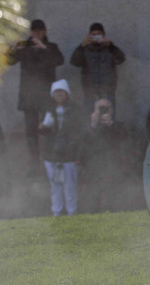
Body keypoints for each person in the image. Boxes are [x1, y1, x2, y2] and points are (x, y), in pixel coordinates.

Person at [7, 19, 64, 169]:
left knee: (49, 127)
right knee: (31, 130)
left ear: (45, 31)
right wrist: (12, 49)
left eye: (39, 31)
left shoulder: (51, 47)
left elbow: (59, 60)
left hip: (46, 96)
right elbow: (8, 61)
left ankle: (50, 159)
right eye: (34, 31)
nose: (37, 34)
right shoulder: (24, 47)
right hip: (29, 95)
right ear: (31, 32)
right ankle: (34, 163)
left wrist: (44, 48)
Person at [39, 79, 85, 216]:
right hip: (51, 154)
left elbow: (81, 131)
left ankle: (72, 212)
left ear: (67, 93)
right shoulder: (48, 108)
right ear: (52, 94)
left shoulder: (75, 109)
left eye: (61, 91)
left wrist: (76, 150)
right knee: (55, 185)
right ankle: (56, 212)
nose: (59, 94)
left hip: (69, 154)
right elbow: (44, 132)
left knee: (70, 185)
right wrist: (43, 127)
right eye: (56, 92)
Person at [81, 98, 134, 212]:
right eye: (99, 108)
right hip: (93, 166)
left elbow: (122, 139)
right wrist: (93, 125)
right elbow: (84, 141)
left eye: (106, 108)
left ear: (111, 110)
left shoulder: (118, 126)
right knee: (93, 198)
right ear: (94, 110)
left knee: (113, 197)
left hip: (113, 165)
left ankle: (115, 215)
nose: (102, 111)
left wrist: (110, 124)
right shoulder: (89, 126)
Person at [70, 22, 125, 112]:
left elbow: (121, 59)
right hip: (90, 91)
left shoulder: (109, 48)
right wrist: (81, 46)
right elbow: (74, 62)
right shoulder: (85, 49)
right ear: (89, 36)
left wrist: (111, 45)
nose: (96, 37)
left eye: (99, 34)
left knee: (108, 119)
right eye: (93, 35)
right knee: (89, 118)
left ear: (103, 35)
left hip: (108, 91)